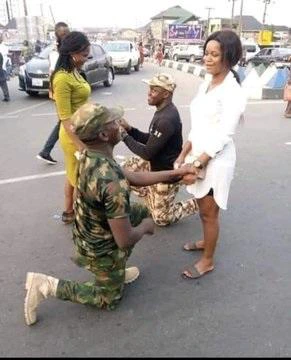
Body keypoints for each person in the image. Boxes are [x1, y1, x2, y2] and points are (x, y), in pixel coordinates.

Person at [23, 102, 196, 326]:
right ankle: (46, 285)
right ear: (104, 134)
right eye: (114, 122)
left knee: (142, 210)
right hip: (98, 247)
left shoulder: (90, 154)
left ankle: (115, 271)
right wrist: (145, 228)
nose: (119, 124)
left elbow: (133, 177)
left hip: (89, 229)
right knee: (108, 299)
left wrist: (177, 173)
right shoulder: (111, 182)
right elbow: (124, 240)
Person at [175, 30, 246, 280]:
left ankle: (207, 260)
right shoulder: (206, 83)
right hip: (197, 154)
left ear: (229, 57)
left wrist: (197, 163)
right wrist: (184, 153)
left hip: (216, 161)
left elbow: (224, 134)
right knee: (200, 204)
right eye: (206, 53)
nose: (208, 58)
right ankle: (206, 242)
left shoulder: (233, 91)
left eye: (214, 54)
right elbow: (198, 125)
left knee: (209, 212)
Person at [119, 73, 198, 226]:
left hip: (166, 174)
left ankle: (199, 202)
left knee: (161, 219)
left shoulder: (166, 119)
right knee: (122, 174)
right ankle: (152, 195)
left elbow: (147, 153)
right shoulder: (163, 111)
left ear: (166, 94)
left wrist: (123, 136)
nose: (149, 93)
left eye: (154, 90)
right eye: (149, 89)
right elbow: (151, 140)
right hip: (154, 166)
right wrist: (129, 129)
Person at [50, 31, 91, 224]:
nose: (86, 59)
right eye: (84, 55)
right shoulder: (61, 79)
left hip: (82, 132)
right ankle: (81, 221)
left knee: (72, 174)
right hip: (72, 137)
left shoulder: (73, 71)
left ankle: (68, 212)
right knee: (81, 181)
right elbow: (64, 118)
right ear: (73, 53)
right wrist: (81, 146)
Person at [36, 22, 70, 165]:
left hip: (59, 89)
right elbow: (58, 74)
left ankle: (46, 151)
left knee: (63, 120)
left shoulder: (60, 51)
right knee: (65, 120)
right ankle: (46, 151)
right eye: (64, 34)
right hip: (60, 89)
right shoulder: (58, 53)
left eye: (67, 33)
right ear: (59, 35)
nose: (67, 35)